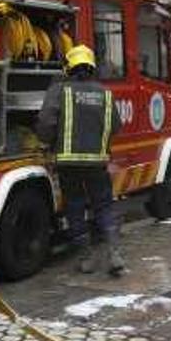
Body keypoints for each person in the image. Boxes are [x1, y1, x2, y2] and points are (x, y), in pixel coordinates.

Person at [36, 45, 123, 276]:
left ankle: (86, 259)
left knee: (75, 208)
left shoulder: (59, 90)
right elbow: (116, 126)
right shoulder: (105, 93)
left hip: (68, 164)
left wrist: (45, 142)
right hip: (97, 164)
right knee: (103, 206)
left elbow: (46, 123)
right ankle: (115, 253)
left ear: (69, 67)